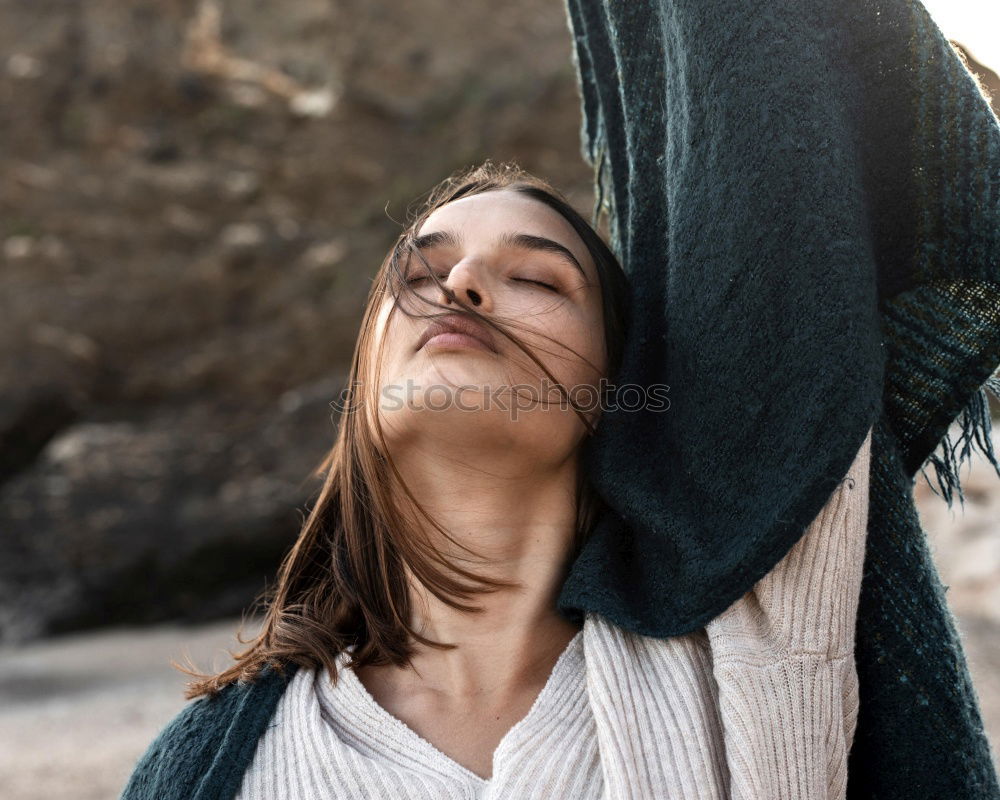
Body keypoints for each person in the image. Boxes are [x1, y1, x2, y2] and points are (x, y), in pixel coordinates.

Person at [119, 160, 872, 800]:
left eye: (537, 279)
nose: (463, 281)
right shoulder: (213, 767)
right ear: (368, 371)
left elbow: (790, 207)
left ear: (616, 386)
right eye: (420, 272)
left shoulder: (759, 662)